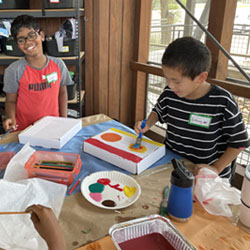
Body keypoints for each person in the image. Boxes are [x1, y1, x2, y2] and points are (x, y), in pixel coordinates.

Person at [134, 37, 250, 179]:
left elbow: (239, 143)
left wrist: (216, 168)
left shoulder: (223, 101)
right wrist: (147, 124)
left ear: (201, 78)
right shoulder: (170, 93)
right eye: (167, 78)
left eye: (176, 81)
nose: (170, 85)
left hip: (205, 175)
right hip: (172, 165)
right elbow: (158, 111)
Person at [3, 14, 72, 131]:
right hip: (24, 130)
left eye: (31, 35)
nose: (28, 42)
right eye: (21, 40)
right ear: (17, 45)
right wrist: (10, 117)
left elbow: (62, 93)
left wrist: (64, 119)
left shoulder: (58, 64)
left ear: (42, 36)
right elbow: (10, 100)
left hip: (53, 127)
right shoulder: (13, 70)